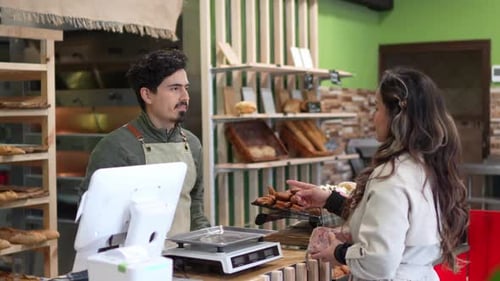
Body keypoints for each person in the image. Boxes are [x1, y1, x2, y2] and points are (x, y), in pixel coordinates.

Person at [287, 67, 469, 281]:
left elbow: (378, 262)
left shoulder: (392, 177)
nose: (374, 118)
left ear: (396, 116)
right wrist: (330, 200)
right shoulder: (428, 165)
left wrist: (339, 252)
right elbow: (391, 223)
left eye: (376, 108)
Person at [78, 49, 210, 237]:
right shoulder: (116, 147)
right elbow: (92, 219)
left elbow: (195, 208)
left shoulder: (193, 143)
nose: (185, 97)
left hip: (185, 259)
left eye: (186, 88)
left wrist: (210, 244)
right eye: (174, 88)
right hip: (135, 263)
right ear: (147, 95)